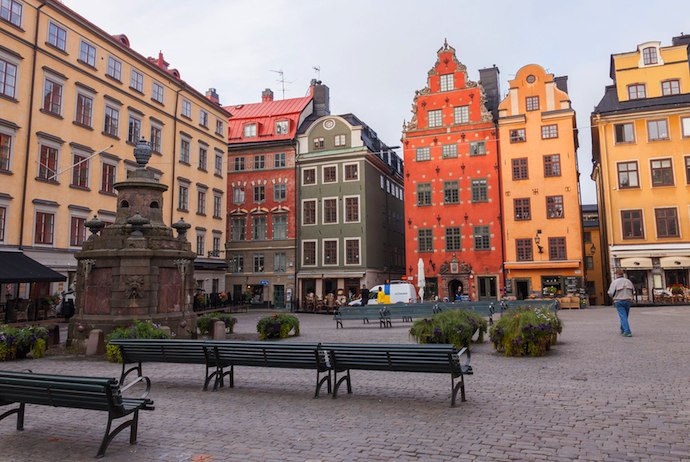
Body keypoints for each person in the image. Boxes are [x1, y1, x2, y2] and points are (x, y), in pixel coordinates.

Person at [607, 269, 635, 337]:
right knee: (625, 316)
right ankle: (622, 329)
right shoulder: (628, 281)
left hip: (619, 301)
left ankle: (627, 331)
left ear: (616, 274)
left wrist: (613, 296)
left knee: (623, 316)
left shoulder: (615, 282)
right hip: (628, 300)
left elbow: (611, 293)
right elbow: (633, 291)